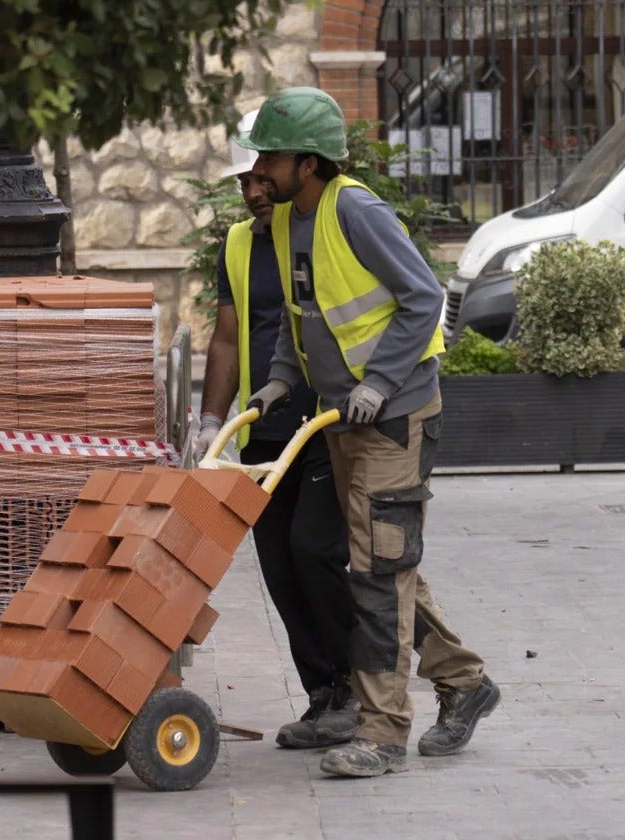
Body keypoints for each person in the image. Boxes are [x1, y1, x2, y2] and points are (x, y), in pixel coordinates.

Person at [236, 87, 500, 778]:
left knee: (378, 573)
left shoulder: (355, 210)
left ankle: (382, 733)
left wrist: (379, 381)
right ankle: (465, 682)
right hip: (340, 418)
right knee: (383, 561)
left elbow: (424, 296)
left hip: (394, 416)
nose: (259, 169)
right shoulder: (291, 218)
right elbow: (303, 312)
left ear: (309, 162)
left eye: (271, 156)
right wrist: (280, 379)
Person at [193, 111, 358, 749]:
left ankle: (357, 687)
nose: (255, 191)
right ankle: (322, 695)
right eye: (245, 181)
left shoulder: (318, 231)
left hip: (325, 423)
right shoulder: (239, 245)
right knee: (281, 569)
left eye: (263, 178)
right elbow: (227, 336)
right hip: (264, 433)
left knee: (315, 551)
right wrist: (211, 421)